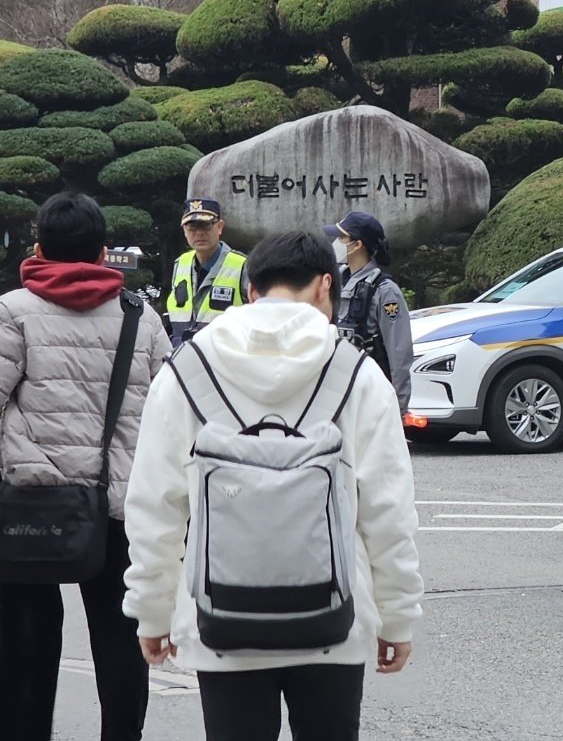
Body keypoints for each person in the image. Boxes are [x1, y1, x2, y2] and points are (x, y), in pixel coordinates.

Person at [123, 231, 424, 741]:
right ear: (326, 286)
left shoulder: (186, 373)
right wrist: (397, 617)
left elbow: (156, 505)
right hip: (335, 618)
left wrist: (152, 611)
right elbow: (388, 510)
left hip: (222, 622)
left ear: (249, 290)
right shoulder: (357, 375)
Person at [0, 192, 171, 741]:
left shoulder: (12, 311)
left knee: (25, 644)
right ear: (103, 250)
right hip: (120, 504)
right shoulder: (139, 317)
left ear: (39, 246)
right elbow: (170, 409)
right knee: (121, 642)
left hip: (30, 502)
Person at [324, 211, 413, 416]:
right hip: (334, 395)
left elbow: (399, 353)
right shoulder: (334, 282)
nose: (336, 242)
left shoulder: (385, 291)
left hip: (369, 397)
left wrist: (398, 409)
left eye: (341, 238)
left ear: (357, 245)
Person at [165, 198, 249, 344]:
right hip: (182, 358)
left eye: (205, 225)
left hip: (223, 361)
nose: (199, 233)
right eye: (192, 226)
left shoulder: (242, 265)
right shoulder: (180, 264)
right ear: (184, 230)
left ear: (220, 227)